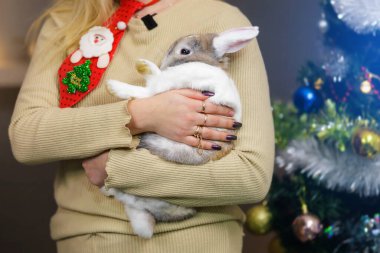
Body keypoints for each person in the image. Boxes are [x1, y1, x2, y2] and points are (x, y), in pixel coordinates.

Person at [9, 0, 275, 252]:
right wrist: (140, 115)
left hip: (198, 240)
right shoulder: (66, 20)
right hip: (92, 241)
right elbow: (26, 136)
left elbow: (251, 176)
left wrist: (120, 169)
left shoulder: (220, 18)